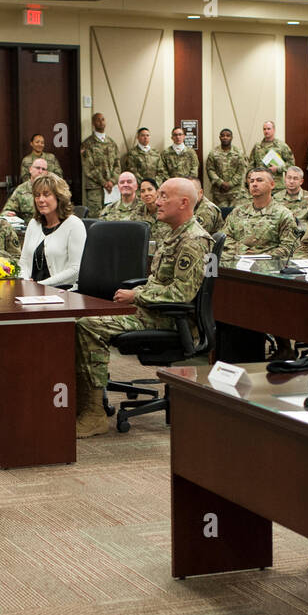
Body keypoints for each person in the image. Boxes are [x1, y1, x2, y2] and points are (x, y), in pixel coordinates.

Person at [73, 178, 214, 437]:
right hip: (153, 311)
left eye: (163, 196)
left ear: (184, 203)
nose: (157, 201)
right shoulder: (174, 234)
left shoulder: (194, 241)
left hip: (170, 318)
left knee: (87, 325)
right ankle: (84, 405)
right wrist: (139, 293)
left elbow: (180, 294)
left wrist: (136, 295)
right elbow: (159, 283)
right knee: (78, 319)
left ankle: (94, 413)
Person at [19, 174, 86, 290]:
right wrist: (25, 280)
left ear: (59, 197)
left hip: (63, 292)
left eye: (46, 195)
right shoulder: (33, 224)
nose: (40, 200)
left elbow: (75, 270)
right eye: (37, 195)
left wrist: (41, 284)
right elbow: (24, 261)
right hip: (32, 291)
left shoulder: (74, 225)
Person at [221, 167, 298, 263]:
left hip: (267, 267)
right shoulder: (238, 212)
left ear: (272, 184)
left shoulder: (283, 214)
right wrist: (244, 251)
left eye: (259, 180)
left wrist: (261, 257)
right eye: (252, 181)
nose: (254, 184)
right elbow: (224, 238)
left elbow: (289, 247)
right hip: (237, 262)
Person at [79, 112, 118, 218]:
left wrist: (112, 181)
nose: (101, 122)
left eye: (103, 119)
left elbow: (117, 164)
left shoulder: (111, 143)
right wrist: (104, 182)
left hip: (112, 188)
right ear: (93, 123)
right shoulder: (87, 144)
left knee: (112, 216)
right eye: (98, 120)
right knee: (95, 217)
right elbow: (88, 167)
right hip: (95, 188)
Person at [204, 128, 245, 207]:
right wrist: (220, 183)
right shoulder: (213, 153)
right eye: (223, 136)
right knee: (221, 215)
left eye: (228, 136)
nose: (225, 137)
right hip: (219, 193)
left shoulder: (238, 152)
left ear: (231, 137)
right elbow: (210, 170)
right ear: (220, 137)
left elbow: (241, 171)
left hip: (235, 192)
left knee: (235, 215)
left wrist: (230, 184)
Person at [249, 120, 294, 190]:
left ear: (274, 130)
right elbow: (251, 164)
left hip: (276, 186)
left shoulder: (281, 146)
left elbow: (291, 164)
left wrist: (278, 168)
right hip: (260, 185)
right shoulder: (257, 146)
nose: (266, 131)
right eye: (264, 129)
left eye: (268, 129)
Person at [2, 157, 48, 223]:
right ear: (30, 169)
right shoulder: (21, 190)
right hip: (26, 229)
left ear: (46, 172)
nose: (40, 171)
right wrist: (9, 214)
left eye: (43, 169)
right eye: (38, 168)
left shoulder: (52, 189)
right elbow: (6, 211)